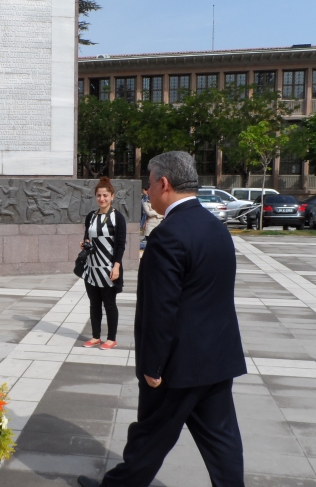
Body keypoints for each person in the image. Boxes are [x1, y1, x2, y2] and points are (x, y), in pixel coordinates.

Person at [78, 152, 246, 487]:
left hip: (177, 365)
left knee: (150, 437)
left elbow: (160, 309)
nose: (147, 190)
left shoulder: (167, 235)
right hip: (217, 358)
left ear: (164, 183)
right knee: (222, 442)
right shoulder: (216, 228)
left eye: (149, 181)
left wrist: (152, 367)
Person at [80, 176, 127, 351]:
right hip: (91, 267)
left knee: (109, 303)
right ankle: (96, 336)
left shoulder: (117, 218)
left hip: (108, 268)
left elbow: (121, 244)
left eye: (105, 195)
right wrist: (84, 243)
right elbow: (87, 236)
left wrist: (116, 266)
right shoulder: (91, 216)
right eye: (99, 195)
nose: (102, 199)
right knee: (94, 303)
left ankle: (111, 338)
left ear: (112, 196)